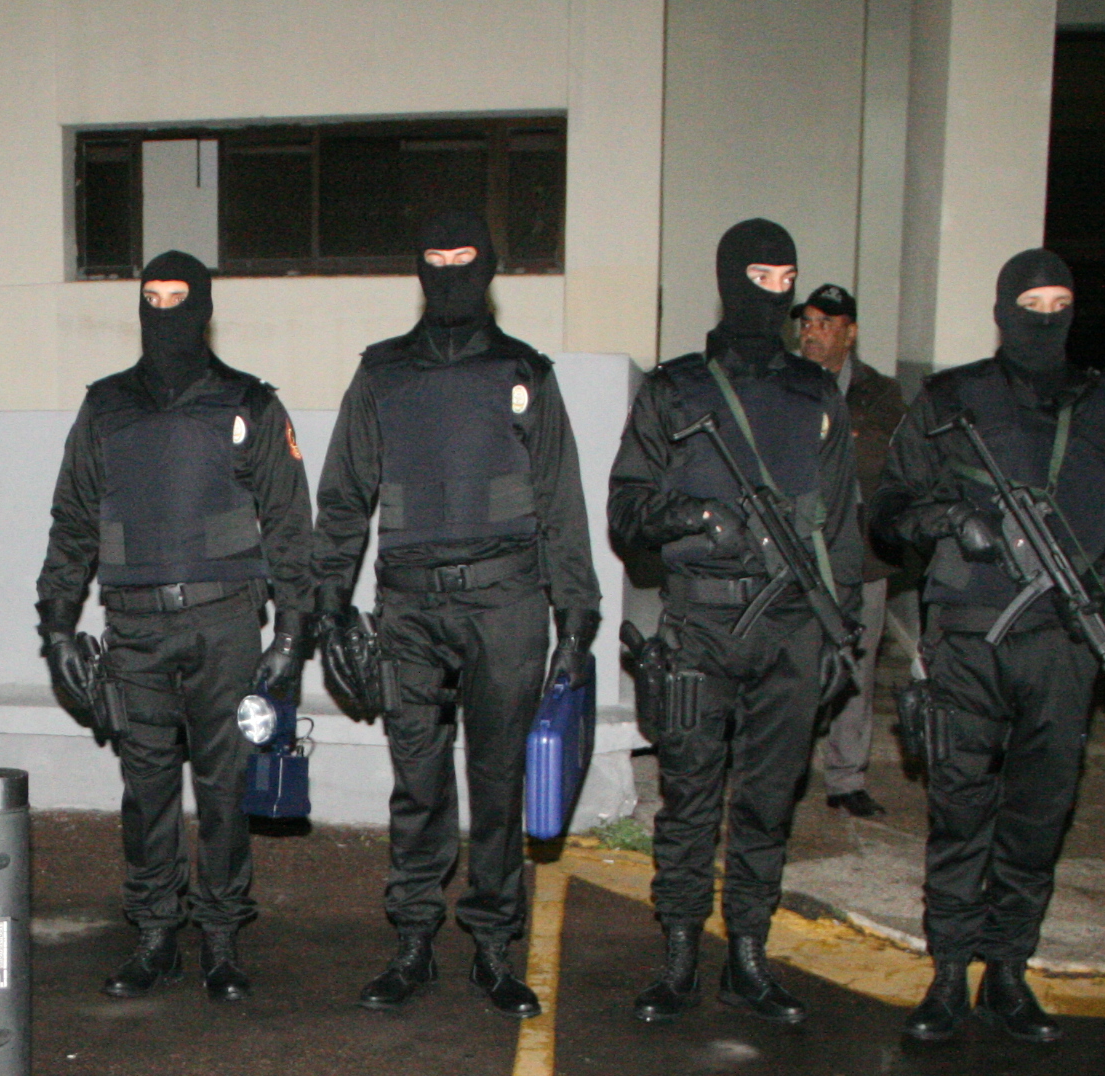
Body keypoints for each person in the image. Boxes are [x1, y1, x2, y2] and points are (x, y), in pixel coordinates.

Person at [311, 209, 599, 1016]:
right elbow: (343, 499)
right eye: (434, 259)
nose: (448, 273)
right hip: (409, 605)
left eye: (462, 257)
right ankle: (413, 939)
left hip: (507, 602)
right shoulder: (382, 373)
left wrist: (576, 620)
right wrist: (328, 607)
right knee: (418, 780)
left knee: (499, 782)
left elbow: (561, 502)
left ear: (489, 267)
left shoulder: (524, 372)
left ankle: (495, 947)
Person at [872, 249, 1105, 1044]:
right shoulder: (951, 399)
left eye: (1061, 303)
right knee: (960, 807)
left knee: (1039, 812)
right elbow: (887, 510)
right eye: (1032, 304)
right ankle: (947, 971)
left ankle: (1007, 967)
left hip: (1064, 643)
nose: (1046, 318)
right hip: (970, 635)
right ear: (1004, 312)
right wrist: (949, 521)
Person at [36, 251, 314, 1002]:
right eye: (151, 298)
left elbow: (290, 525)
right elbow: (72, 522)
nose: (163, 313)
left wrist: (293, 633)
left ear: (204, 308)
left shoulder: (249, 403)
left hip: (225, 622)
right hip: (133, 627)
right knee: (147, 789)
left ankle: (221, 935)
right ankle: (155, 933)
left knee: (225, 787)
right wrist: (57, 624)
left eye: (177, 298)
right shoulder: (105, 408)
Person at [608, 218, 862, 1025]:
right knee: (688, 797)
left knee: (768, 800)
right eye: (761, 277)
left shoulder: (815, 393)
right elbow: (625, 509)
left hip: (790, 625)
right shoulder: (675, 389)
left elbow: (840, 526)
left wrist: (843, 632)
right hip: (703, 623)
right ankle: (680, 950)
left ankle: (748, 953)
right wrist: (693, 517)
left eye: (787, 280)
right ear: (727, 280)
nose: (776, 294)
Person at [793, 282, 910, 816]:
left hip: (860, 550)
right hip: (797, 547)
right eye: (807, 324)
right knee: (793, 662)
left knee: (857, 664)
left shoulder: (880, 394)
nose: (812, 334)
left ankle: (845, 777)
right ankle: (787, 769)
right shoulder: (785, 382)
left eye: (825, 324)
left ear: (850, 332)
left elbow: (886, 462)